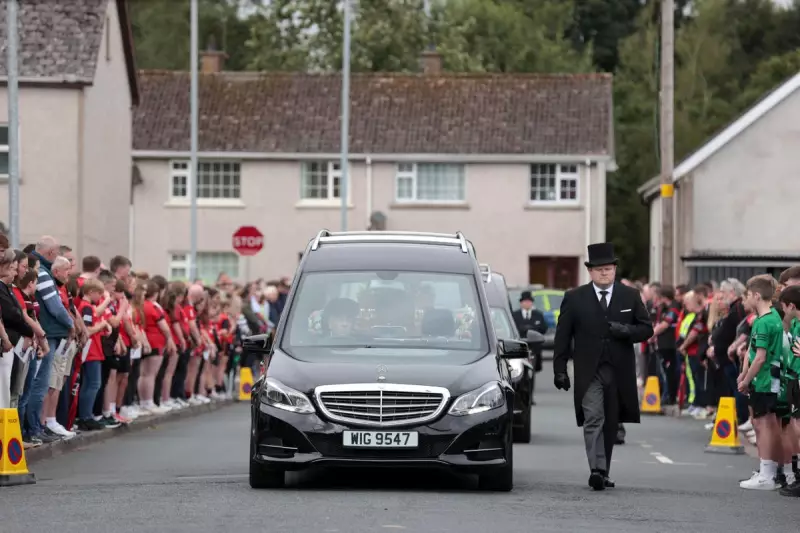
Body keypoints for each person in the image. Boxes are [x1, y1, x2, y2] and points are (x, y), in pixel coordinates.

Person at [553, 242, 653, 491]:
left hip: (618, 370)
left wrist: (625, 331)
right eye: (599, 269)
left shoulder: (630, 295)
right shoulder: (574, 298)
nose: (604, 273)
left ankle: (604, 469)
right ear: (590, 271)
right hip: (589, 370)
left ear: (615, 269)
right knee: (593, 417)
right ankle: (596, 470)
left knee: (611, 421)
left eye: (608, 269)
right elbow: (562, 336)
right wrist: (560, 369)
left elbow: (646, 329)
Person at [738, 275, 784, 490]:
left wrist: (746, 379)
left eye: (747, 295)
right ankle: (768, 469)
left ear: (757, 295)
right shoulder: (769, 317)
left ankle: (767, 474)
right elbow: (750, 351)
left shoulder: (764, 321)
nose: (745, 299)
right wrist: (744, 372)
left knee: (764, 425)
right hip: (764, 378)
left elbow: (760, 356)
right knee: (761, 424)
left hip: (765, 380)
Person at [512, 291, 547, 405]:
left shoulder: (538, 315)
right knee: (518, 373)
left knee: (530, 375)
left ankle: (529, 397)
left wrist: (532, 330)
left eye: (529, 302)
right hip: (518, 350)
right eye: (525, 301)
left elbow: (543, 328)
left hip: (533, 350)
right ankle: (517, 397)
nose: (527, 304)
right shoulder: (515, 315)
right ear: (521, 303)